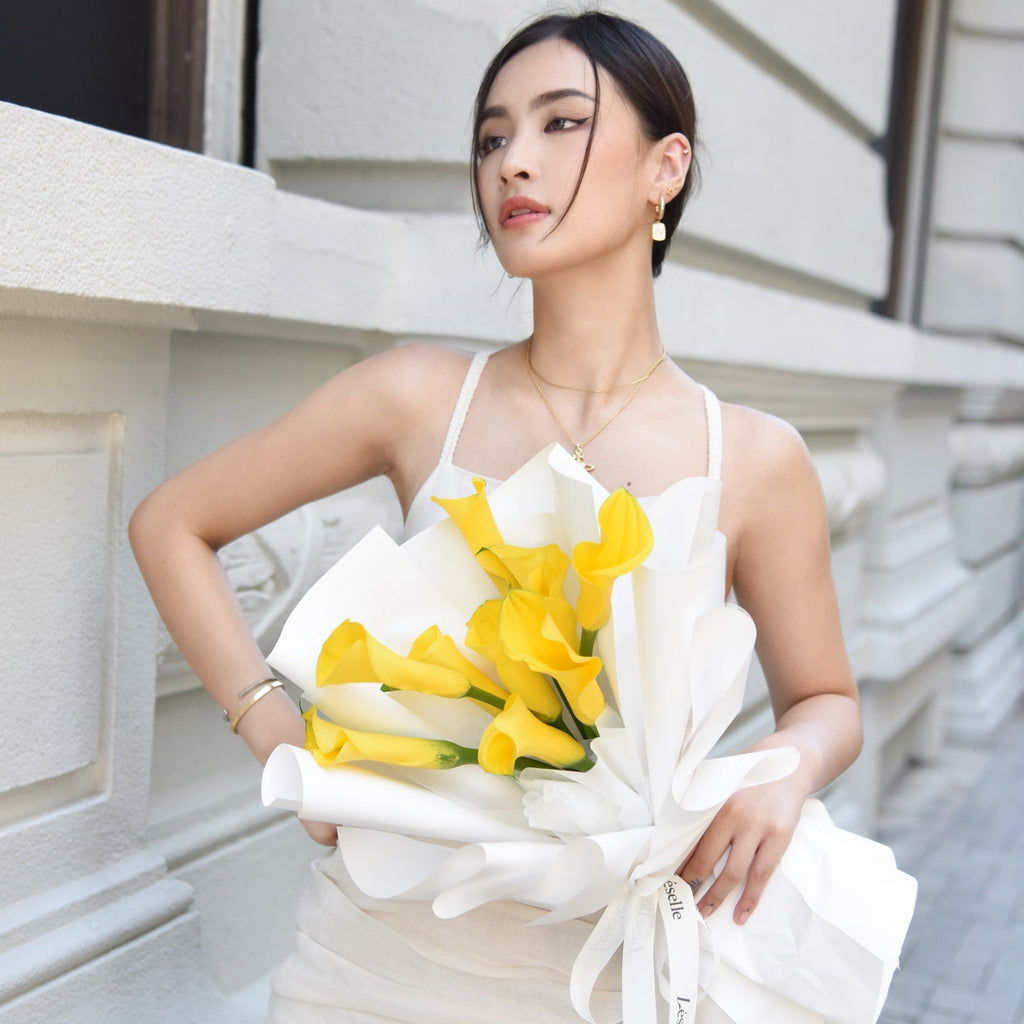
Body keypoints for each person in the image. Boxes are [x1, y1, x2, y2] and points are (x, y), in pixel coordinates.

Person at [130, 11, 864, 1022]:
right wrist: (278, 737)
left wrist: (779, 775)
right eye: (491, 136)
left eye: (561, 123)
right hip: (370, 964)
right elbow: (171, 521)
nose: (514, 161)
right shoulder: (413, 397)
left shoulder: (750, 456)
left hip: (605, 972)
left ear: (666, 167)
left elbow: (826, 698)